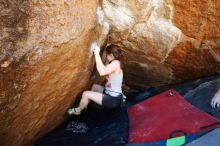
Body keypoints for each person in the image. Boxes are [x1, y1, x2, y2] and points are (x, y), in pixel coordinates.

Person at [67, 43, 124, 115]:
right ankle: (85, 104)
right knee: (94, 87)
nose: (106, 56)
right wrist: (106, 49)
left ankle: (78, 110)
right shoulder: (113, 62)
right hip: (109, 93)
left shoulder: (116, 63)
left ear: (111, 55)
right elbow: (104, 65)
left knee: (85, 94)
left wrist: (96, 52)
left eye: (107, 54)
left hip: (113, 99)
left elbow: (102, 72)